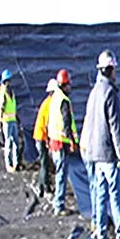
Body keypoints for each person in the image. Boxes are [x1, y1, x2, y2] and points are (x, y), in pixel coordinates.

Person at [81, 50, 120, 239]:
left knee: (100, 194)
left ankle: (101, 236)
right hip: (107, 153)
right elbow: (114, 126)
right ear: (109, 69)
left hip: (93, 152)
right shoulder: (110, 92)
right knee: (115, 194)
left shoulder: (94, 92)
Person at [48, 69, 78, 216]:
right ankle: (59, 205)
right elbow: (66, 123)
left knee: (60, 173)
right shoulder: (64, 101)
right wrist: (72, 141)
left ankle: (58, 203)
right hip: (60, 143)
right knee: (61, 175)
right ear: (64, 85)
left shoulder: (55, 98)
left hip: (53, 141)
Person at [32, 78, 58, 197]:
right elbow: (47, 123)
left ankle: (42, 185)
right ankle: (44, 187)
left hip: (40, 135)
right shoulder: (50, 104)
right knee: (44, 163)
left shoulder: (48, 102)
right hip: (41, 136)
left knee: (45, 162)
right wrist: (48, 140)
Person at [0, 69, 20, 170]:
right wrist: (1, 119)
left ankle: (16, 162)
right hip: (6, 121)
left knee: (16, 141)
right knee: (8, 143)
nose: (8, 82)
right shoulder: (3, 93)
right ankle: (9, 164)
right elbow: (1, 107)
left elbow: (13, 106)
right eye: (7, 81)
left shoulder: (12, 92)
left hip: (13, 120)